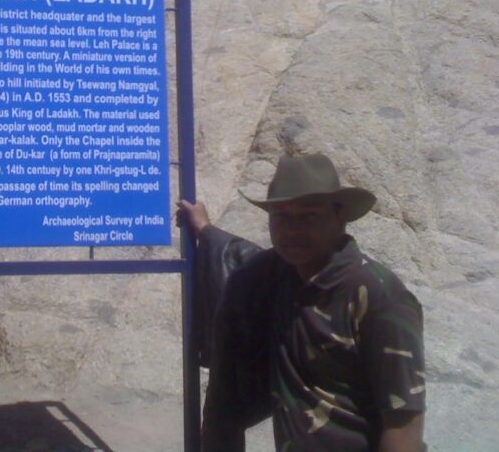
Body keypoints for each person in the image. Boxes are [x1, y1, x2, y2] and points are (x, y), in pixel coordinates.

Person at [176, 153, 425, 452]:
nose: (292, 230)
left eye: (309, 216)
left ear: (340, 217)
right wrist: (204, 229)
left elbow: (402, 421)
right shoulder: (265, 278)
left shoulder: (377, 295)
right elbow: (239, 254)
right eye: (280, 216)